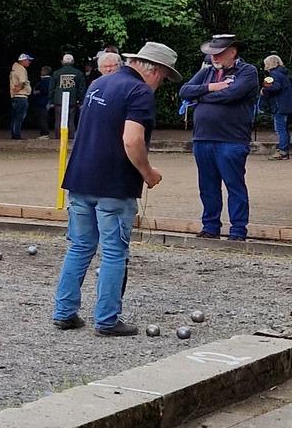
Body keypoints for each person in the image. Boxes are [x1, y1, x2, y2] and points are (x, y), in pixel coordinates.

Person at [52, 40, 179, 337]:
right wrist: (148, 173)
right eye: (163, 77)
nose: (160, 84)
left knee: (80, 247)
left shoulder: (99, 83)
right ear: (155, 70)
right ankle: (107, 320)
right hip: (114, 184)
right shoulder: (139, 92)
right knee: (113, 252)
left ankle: (64, 312)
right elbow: (132, 139)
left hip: (80, 178)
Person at [179, 33, 260, 241]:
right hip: (203, 138)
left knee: (234, 186)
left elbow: (231, 95)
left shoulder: (247, 71)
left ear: (232, 52)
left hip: (231, 139)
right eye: (211, 53)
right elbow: (184, 91)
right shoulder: (207, 72)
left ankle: (238, 230)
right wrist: (210, 88)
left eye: (219, 53)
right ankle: (210, 227)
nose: (214, 57)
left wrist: (201, 97)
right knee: (207, 186)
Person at [263, 54, 291, 158]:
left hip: (280, 105)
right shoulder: (283, 74)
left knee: (280, 129)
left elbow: (275, 87)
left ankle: (282, 151)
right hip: (286, 105)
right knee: (284, 129)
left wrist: (264, 90)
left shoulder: (274, 74)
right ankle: (284, 150)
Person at [50, 52, 86, 129]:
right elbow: (81, 89)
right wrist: (81, 101)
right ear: (73, 62)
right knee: (71, 119)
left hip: (58, 100)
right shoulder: (79, 73)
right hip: (72, 100)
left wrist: (51, 100)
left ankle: (58, 137)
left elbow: (51, 88)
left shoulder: (56, 73)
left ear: (63, 62)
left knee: (58, 120)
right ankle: (71, 137)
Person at [8, 54, 33, 140]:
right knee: (20, 116)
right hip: (21, 96)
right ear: (23, 61)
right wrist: (19, 87)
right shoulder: (21, 69)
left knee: (14, 116)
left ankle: (14, 134)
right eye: (28, 60)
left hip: (15, 96)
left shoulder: (14, 69)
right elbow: (23, 81)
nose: (29, 62)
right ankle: (16, 135)